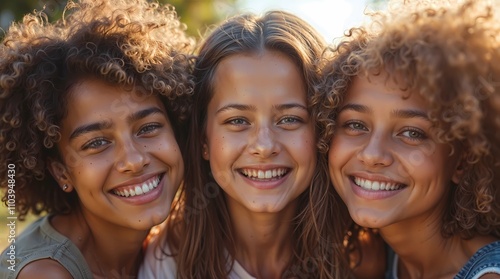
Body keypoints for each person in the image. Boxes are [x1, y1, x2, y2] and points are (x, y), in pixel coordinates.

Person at [140, 10, 355, 279]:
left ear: (323, 129)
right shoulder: (168, 264)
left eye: (289, 119)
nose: (264, 146)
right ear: (203, 138)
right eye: (238, 120)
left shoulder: (359, 258)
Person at [0, 0, 194, 278]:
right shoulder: (46, 273)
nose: (134, 160)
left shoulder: (163, 243)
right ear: (61, 171)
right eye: (96, 143)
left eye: (148, 127)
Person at [317, 0, 500, 278]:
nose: (373, 154)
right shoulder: (371, 259)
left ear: (464, 158)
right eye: (355, 124)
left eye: (412, 133)